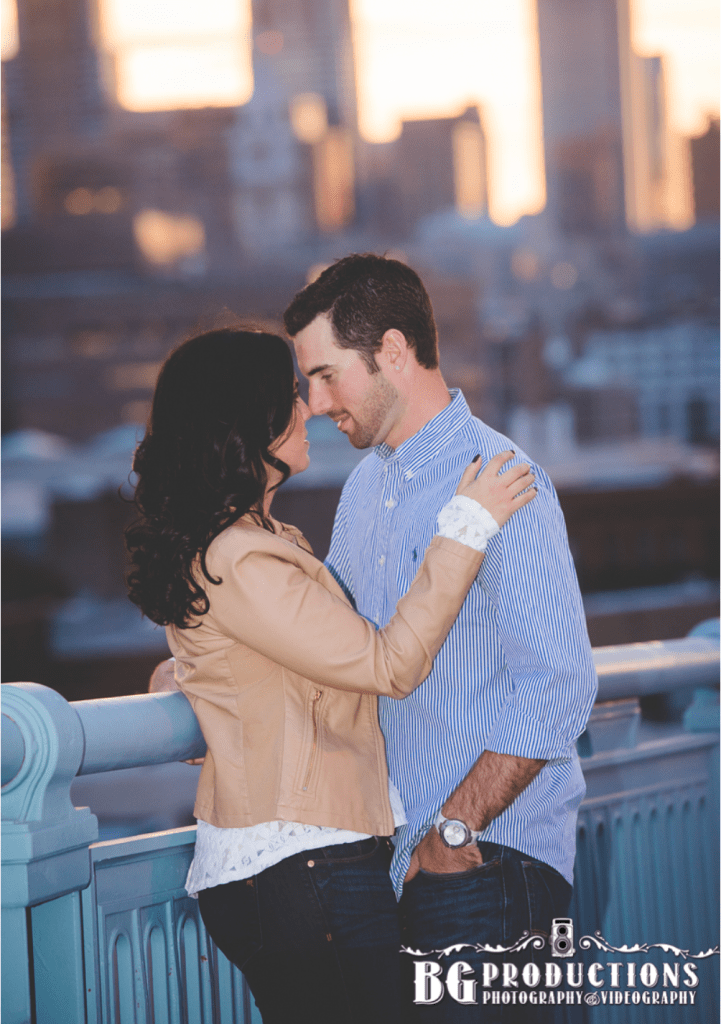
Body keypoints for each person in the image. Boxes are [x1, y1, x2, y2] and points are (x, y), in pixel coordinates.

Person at [126, 327, 537, 1024]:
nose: (310, 407)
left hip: (303, 867)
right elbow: (388, 664)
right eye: (291, 393)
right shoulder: (242, 557)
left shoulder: (255, 545)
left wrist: (180, 674)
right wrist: (466, 526)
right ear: (247, 422)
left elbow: (247, 657)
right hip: (302, 867)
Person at [283, 255, 598, 1022]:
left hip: (489, 865)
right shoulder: (363, 488)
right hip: (402, 871)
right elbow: (332, 643)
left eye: (327, 376)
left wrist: (453, 831)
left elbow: (558, 681)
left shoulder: (502, 475)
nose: (316, 404)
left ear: (392, 351)